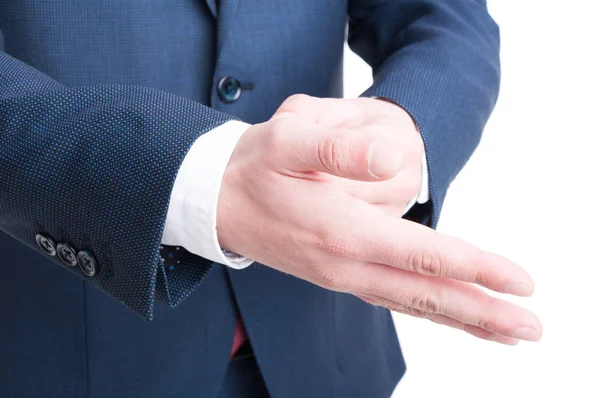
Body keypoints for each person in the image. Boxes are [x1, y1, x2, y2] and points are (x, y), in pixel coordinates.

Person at [0, 1, 542, 397]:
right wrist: (193, 178)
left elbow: (445, 19)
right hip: (61, 354)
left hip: (324, 357)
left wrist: (402, 130)